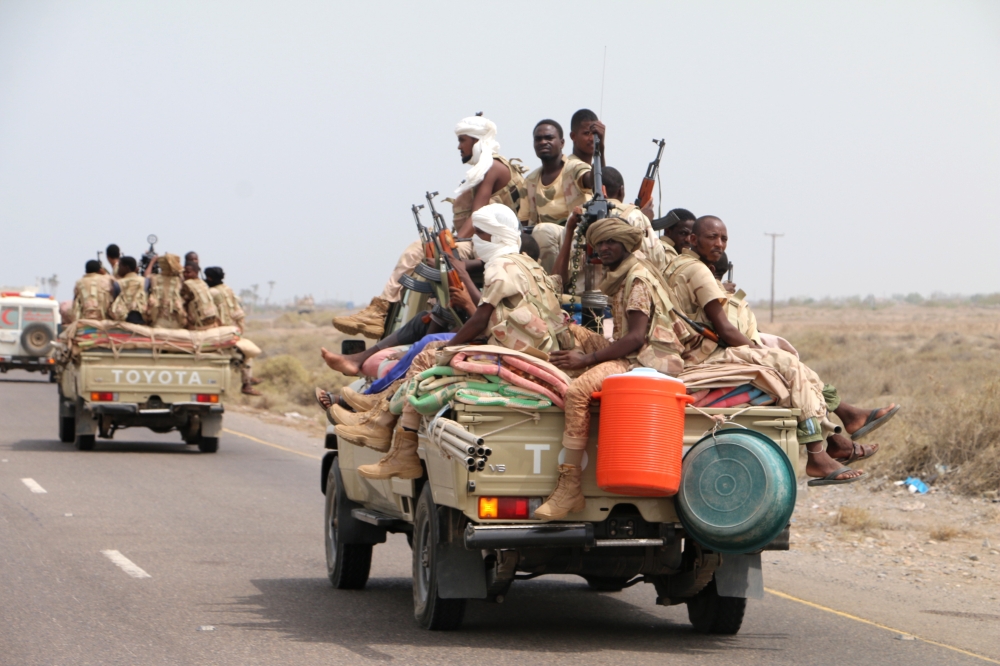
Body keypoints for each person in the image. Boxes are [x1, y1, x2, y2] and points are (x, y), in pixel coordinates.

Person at [670, 216, 900, 485]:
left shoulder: (680, 266)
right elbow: (725, 329)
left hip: (697, 351)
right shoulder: (698, 271)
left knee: (785, 364)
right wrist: (758, 351)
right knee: (785, 364)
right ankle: (820, 450)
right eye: (712, 237)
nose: (719, 244)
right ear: (693, 240)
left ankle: (842, 429)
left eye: (724, 239)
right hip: (702, 357)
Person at [344, 204, 568, 478]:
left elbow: (479, 319)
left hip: (515, 356)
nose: (476, 241)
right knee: (430, 351)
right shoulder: (528, 265)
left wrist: (447, 351)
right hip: (531, 351)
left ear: (496, 236)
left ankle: (390, 436)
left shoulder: (501, 266)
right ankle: (382, 420)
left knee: (429, 355)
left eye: (482, 235)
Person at [537, 218, 685, 519]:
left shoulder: (637, 279)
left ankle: (570, 487)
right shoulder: (624, 273)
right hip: (629, 349)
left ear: (626, 244)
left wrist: (587, 361)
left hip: (641, 359)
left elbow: (635, 338)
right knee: (574, 332)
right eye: (599, 243)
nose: (603, 248)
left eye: (610, 242)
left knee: (578, 391)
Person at [332, 114, 527, 340]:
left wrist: (451, 245)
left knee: (418, 249)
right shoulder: (492, 166)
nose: (458, 146)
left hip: (491, 244)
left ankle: (381, 309)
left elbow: (477, 216)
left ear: (476, 141)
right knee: (432, 254)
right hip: (491, 243)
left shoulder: (492, 167)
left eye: (462, 140)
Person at [527, 110, 608, 274]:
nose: (543, 142)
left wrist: (600, 150)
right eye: (538, 139)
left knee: (543, 231)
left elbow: (595, 182)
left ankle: (553, 285)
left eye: (549, 138)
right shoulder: (531, 180)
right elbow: (525, 222)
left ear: (562, 142)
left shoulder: (573, 167)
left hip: (577, 233)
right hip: (546, 241)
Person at [205, 266, 263, 396]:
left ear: (209, 278)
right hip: (232, 328)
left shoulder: (211, 292)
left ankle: (247, 383)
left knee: (241, 354)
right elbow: (237, 310)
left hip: (221, 331)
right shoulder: (227, 289)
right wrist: (240, 328)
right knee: (245, 354)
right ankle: (247, 381)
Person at [146, 254, 187, 329]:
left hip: (159, 320)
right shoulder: (179, 280)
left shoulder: (154, 279)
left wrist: (152, 262)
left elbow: (146, 277)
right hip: (175, 321)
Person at [109, 256, 149, 324]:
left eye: (120, 266)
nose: (118, 269)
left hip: (124, 320)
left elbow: (113, 303)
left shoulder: (117, 284)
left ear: (126, 268)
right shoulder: (146, 281)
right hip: (142, 319)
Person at [181, 263, 220, 330]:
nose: (185, 274)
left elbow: (182, 303)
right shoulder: (203, 283)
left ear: (196, 272)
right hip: (211, 321)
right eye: (184, 272)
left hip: (199, 324)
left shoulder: (187, 284)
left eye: (188, 272)